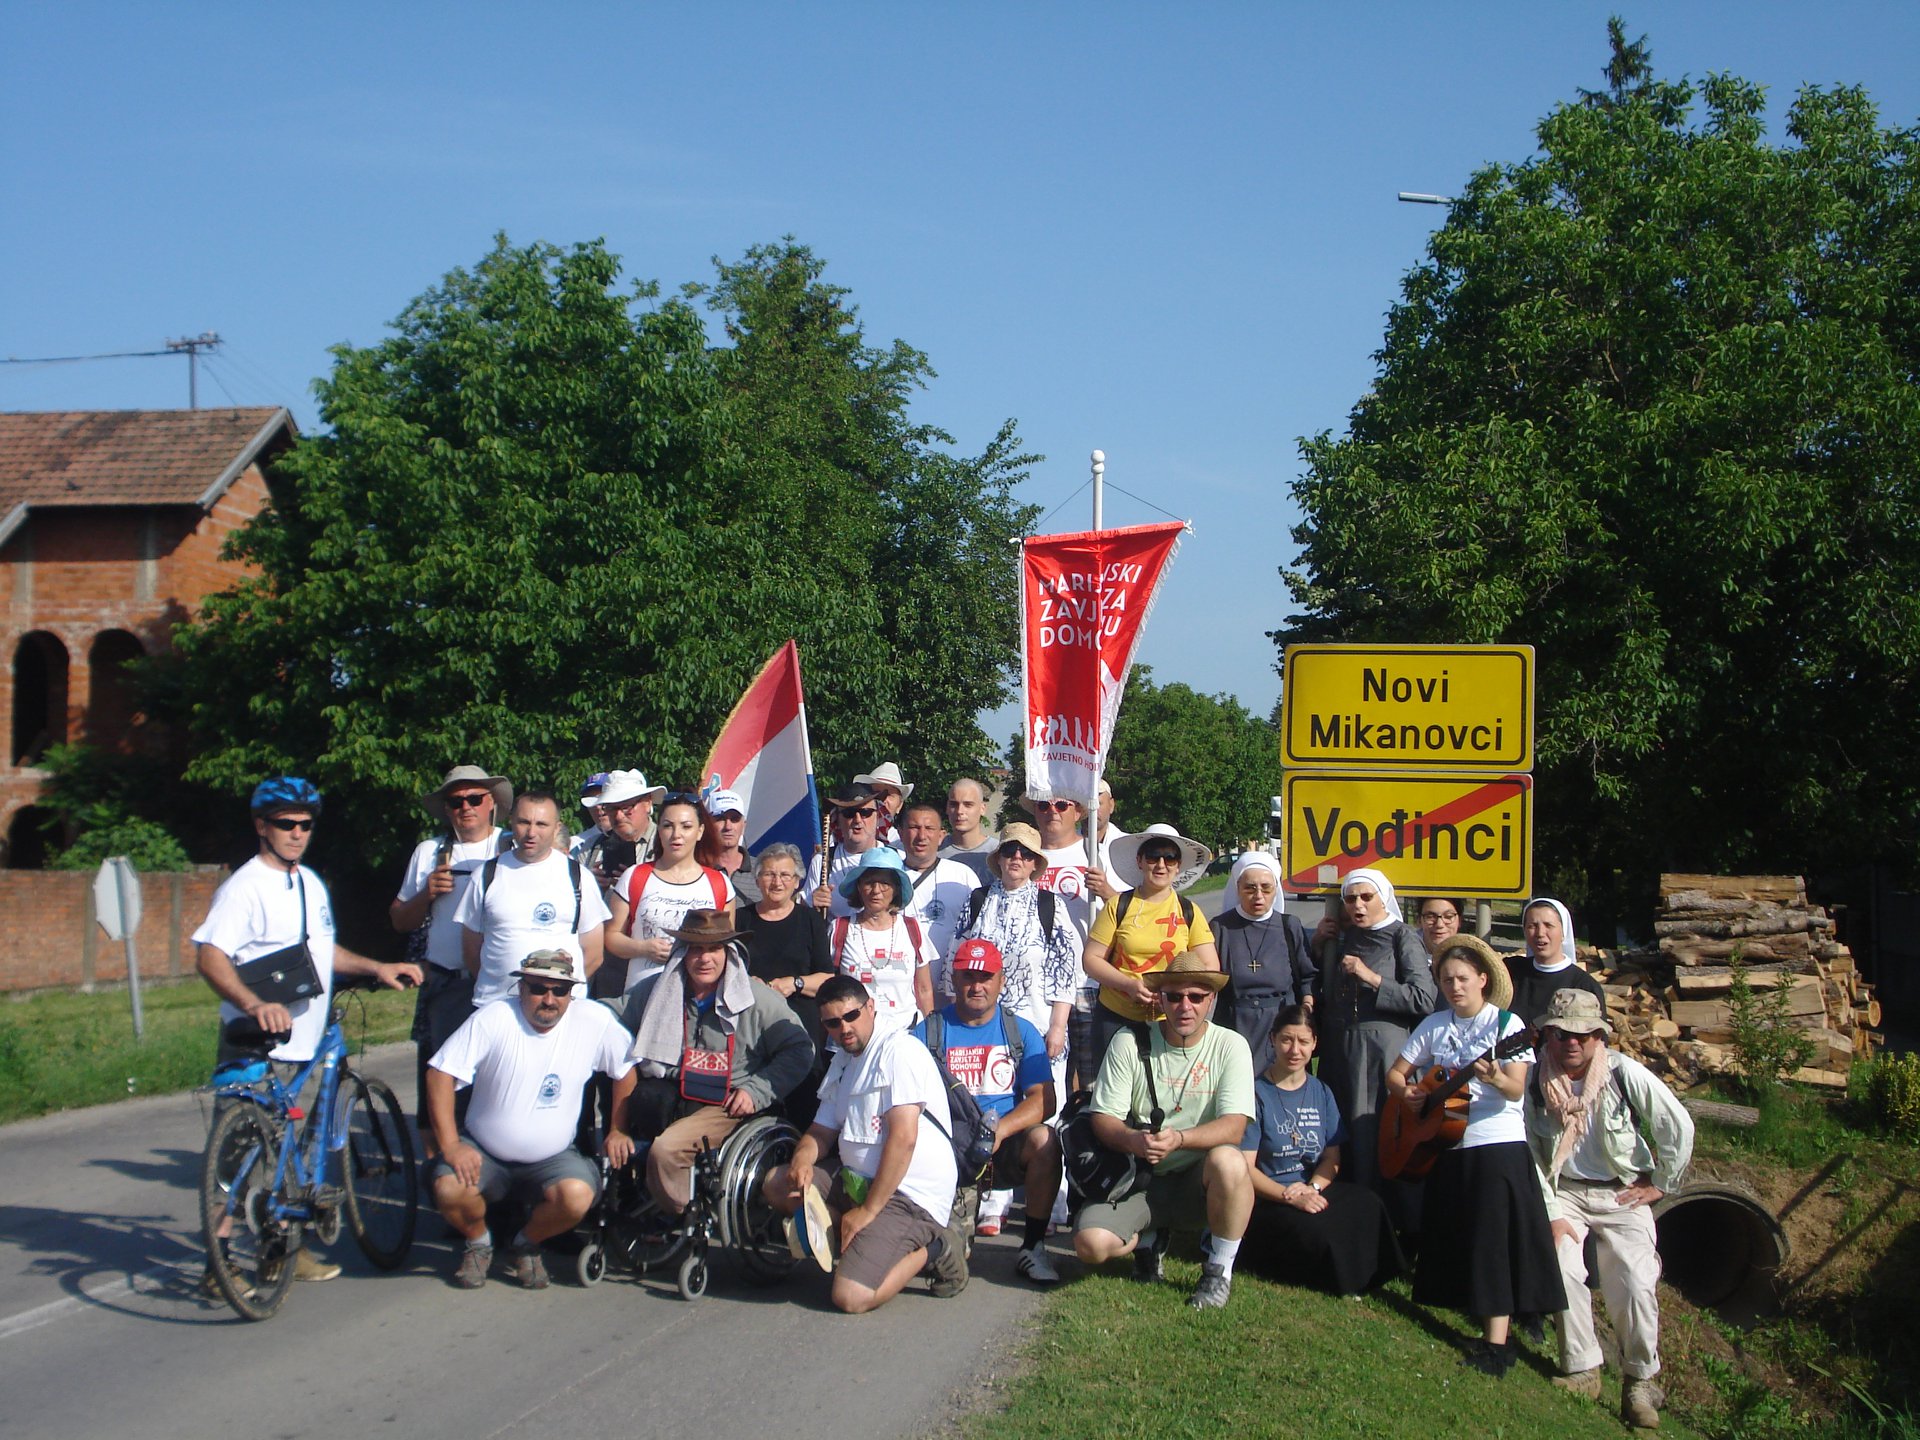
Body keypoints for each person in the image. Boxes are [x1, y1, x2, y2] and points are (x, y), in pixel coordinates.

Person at [194, 776, 424, 1290]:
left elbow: (322, 951)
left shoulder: (308, 883)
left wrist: (375, 967)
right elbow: (209, 956)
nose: (297, 833)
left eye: (304, 825)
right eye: (285, 824)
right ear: (262, 827)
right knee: (235, 1161)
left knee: (289, 1151)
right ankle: (220, 1263)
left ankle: (284, 1250)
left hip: (306, 1041)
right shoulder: (244, 888)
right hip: (258, 1042)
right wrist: (255, 1005)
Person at [1386, 934, 1564, 1376]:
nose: (1454, 986)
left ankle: (1497, 1345)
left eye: (1462, 978)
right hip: (1449, 1141)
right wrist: (1406, 1093)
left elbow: (1516, 1088)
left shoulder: (1508, 1027)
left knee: (1492, 1242)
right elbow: (1396, 1073)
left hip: (1495, 1143)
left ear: (1483, 980)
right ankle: (1477, 1314)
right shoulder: (1434, 1025)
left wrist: (1495, 1076)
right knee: (1458, 1235)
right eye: (1447, 979)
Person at [1526, 989, 1694, 1430]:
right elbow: (1531, 1154)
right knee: (1562, 1265)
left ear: (1600, 1036)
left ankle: (1639, 1381)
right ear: (1548, 1035)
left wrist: (1661, 1184)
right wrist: (1551, 1212)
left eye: (1583, 1033)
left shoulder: (1623, 1073)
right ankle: (1582, 1368)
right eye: (1561, 1034)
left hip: (1621, 1192)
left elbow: (1677, 1124)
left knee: (1636, 1279)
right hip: (1566, 1191)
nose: (1571, 1043)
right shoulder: (1534, 1081)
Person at [425, 950, 637, 1290]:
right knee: (448, 1187)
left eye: (560, 990)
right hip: (485, 1151)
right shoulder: (494, 1017)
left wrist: (618, 1128)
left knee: (577, 1195)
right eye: (538, 988)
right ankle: (479, 1244)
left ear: (572, 993)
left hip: (553, 1157)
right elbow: (439, 1074)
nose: (549, 999)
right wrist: (450, 1145)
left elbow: (625, 1070)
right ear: (521, 988)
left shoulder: (594, 1020)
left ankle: (525, 1244)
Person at [763, 976, 961, 1314]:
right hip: (857, 1179)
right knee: (778, 1184)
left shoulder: (901, 1051)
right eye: (832, 1023)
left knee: (850, 1297)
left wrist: (868, 1212)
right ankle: (855, 1236)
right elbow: (821, 1132)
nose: (844, 1029)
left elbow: (904, 1139)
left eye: (851, 1016)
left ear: (871, 1007)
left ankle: (939, 1246)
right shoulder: (844, 1058)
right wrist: (802, 1160)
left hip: (909, 1194)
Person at [1073, 952, 1255, 1309]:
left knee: (1230, 1161)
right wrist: (1134, 1140)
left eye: (1196, 997)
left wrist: (1181, 1139)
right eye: (1174, 996)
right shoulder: (1128, 1041)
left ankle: (1219, 1272)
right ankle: (1147, 1240)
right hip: (1139, 1178)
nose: (1184, 1006)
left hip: (1197, 1180)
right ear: (1160, 999)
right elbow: (1103, 1118)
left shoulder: (1230, 1046)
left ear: (1211, 1000)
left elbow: (1235, 1127)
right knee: (1090, 1247)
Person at [605, 910, 814, 1216]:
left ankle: (683, 1215)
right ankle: (641, 1201)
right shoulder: (660, 990)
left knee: (665, 1151)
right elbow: (610, 1016)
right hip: (677, 1092)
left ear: (729, 953)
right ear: (683, 954)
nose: (705, 959)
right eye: (696, 949)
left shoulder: (757, 1000)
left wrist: (756, 1091)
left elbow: (799, 1050)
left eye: (714, 949)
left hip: (729, 1103)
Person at [943, 821, 1077, 1235]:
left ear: (1036, 863)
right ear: (998, 858)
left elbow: (1066, 968)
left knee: (1042, 1116)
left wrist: (1058, 1025)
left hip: (1036, 1026)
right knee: (992, 1104)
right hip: (986, 1026)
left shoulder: (1049, 904)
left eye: (1025, 853)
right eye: (1009, 851)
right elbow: (956, 958)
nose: (1016, 858)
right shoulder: (978, 901)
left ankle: (1051, 1206)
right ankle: (992, 1201)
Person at [911, 938, 1063, 1284]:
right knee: (950, 1263)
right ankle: (946, 1238)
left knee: (1045, 1140)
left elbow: (1044, 1100)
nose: (976, 986)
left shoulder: (1020, 1031)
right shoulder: (929, 1031)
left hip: (1003, 1143)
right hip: (950, 1151)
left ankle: (1034, 1247)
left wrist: (1001, 1131)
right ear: (954, 980)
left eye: (985, 977)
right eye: (967, 977)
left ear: (1001, 981)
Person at [1240, 1005, 1403, 1296]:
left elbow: (1332, 1158)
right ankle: (1342, 1282)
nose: (1294, 1049)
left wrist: (1312, 1189)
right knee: (1322, 1231)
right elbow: (1245, 1169)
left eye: (1303, 1041)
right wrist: (1290, 1197)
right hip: (1269, 1198)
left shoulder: (1321, 1091)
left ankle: (1376, 1276)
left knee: (1368, 1203)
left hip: (1311, 1188)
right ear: (1272, 1039)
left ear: (1314, 1044)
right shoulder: (1255, 1094)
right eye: (1287, 1039)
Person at [390, 764, 512, 1130]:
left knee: (497, 1088)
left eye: (475, 798)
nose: (466, 807)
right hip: (444, 983)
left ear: (491, 803)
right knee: (438, 1085)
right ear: (446, 809)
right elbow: (399, 920)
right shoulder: (430, 852)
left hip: (498, 985)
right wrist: (426, 894)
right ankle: (438, 1175)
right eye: (456, 801)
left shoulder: (511, 847)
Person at [1312, 867, 1438, 1204]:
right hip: (1342, 1051)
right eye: (1351, 899)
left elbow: (1423, 998)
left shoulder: (1402, 936)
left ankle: (1392, 1213)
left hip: (1384, 1052)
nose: (1359, 905)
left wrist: (1372, 978)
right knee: (1346, 1132)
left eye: (1367, 897)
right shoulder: (1345, 936)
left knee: (1381, 1131)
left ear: (1383, 899)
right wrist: (1317, 946)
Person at [453, 789, 610, 1008]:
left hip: (559, 1011)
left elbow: (593, 954)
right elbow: (471, 949)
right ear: (511, 823)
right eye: (524, 822)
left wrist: (556, 993)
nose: (531, 832)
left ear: (556, 828)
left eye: (541, 824)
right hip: (495, 1005)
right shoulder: (486, 875)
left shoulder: (578, 877)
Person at [1081, 823, 1218, 1065]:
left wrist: (1176, 993)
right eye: (1153, 856)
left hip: (1170, 1020)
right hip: (1117, 1015)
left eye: (1170, 857)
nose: (1161, 864)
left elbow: (1210, 966)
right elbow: (1091, 960)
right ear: (1140, 861)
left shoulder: (1189, 911)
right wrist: (1129, 985)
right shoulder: (1118, 906)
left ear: (1178, 866)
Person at [737, 842, 836, 1127]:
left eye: (785, 875)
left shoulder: (810, 921)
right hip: (751, 1026)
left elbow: (827, 979)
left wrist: (795, 983)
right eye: (769, 874)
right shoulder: (741, 919)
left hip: (799, 1027)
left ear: (797, 882)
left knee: (802, 1108)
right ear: (757, 879)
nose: (777, 881)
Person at [605, 791, 733, 997]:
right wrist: (643, 948)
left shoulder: (719, 884)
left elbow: (725, 947)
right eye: (668, 826)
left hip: (696, 1000)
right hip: (641, 997)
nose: (676, 835)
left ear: (700, 831)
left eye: (686, 826)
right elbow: (611, 937)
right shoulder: (635, 877)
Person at [1214, 850, 1317, 1072]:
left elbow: (1307, 974)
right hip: (1236, 1025)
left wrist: (1307, 1003)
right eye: (1250, 888)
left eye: (1266, 888)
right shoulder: (1220, 928)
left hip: (1283, 1025)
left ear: (1275, 890)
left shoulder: (1290, 926)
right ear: (1237, 888)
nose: (1258, 896)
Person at [830, 847, 937, 1033]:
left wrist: (932, 1036)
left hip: (905, 1034)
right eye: (869, 883)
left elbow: (924, 989)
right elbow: (827, 985)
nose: (876, 891)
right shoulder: (840, 928)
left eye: (884, 884)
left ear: (896, 890)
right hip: (852, 1039)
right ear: (858, 887)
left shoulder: (912, 929)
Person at [895, 799, 981, 998]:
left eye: (929, 828)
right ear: (900, 832)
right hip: (901, 997)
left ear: (941, 835)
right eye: (914, 828)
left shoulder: (962, 876)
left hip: (952, 994)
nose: (922, 836)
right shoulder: (886, 879)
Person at [1507, 896, 1607, 1027]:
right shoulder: (1511, 972)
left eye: (1548, 925)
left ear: (1563, 931)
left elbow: (1596, 1041)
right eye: (1532, 926)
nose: (1540, 933)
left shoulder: (1584, 986)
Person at [578, 769, 665, 892]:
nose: (618, 816)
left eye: (626, 807)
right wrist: (589, 886)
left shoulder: (667, 844)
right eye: (611, 808)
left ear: (647, 802)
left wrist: (638, 885)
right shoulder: (590, 848)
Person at [807, 781, 885, 917]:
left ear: (877, 816)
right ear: (838, 819)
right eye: (849, 813)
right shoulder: (822, 862)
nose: (858, 820)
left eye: (865, 812)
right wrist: (811, 904)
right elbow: (801, 915)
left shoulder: (896, 859)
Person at [695, 786, 760, 904]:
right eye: (720, 818)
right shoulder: (694, 868)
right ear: (706, 824)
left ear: (743, 825)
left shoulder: (762, 870)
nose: (728, 826)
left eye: (734, 819)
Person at [938, 777, 998, 883]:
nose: (960, 811)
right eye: (954, 804)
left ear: (982, 809)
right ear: (947, 808)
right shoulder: (935, 850)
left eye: (968, 805)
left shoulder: (998, 853)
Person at [853, 761, 913, 846]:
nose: (882, 799)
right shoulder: (843, 837)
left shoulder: (903, 846)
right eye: (876, 792)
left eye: (888, 794)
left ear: (899, 805)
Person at [567, 771, 612, 862]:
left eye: (602, 797)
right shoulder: (573, 846)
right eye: (590, 799)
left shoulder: (638, 837)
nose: (597, 806)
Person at [1414, 896, 1467, 966]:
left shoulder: (1469, 958)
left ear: (1460, 921)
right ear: (1419, 920)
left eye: (1448, 916)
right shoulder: (1404, 954)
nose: (1439, 925)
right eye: (1430, 917)